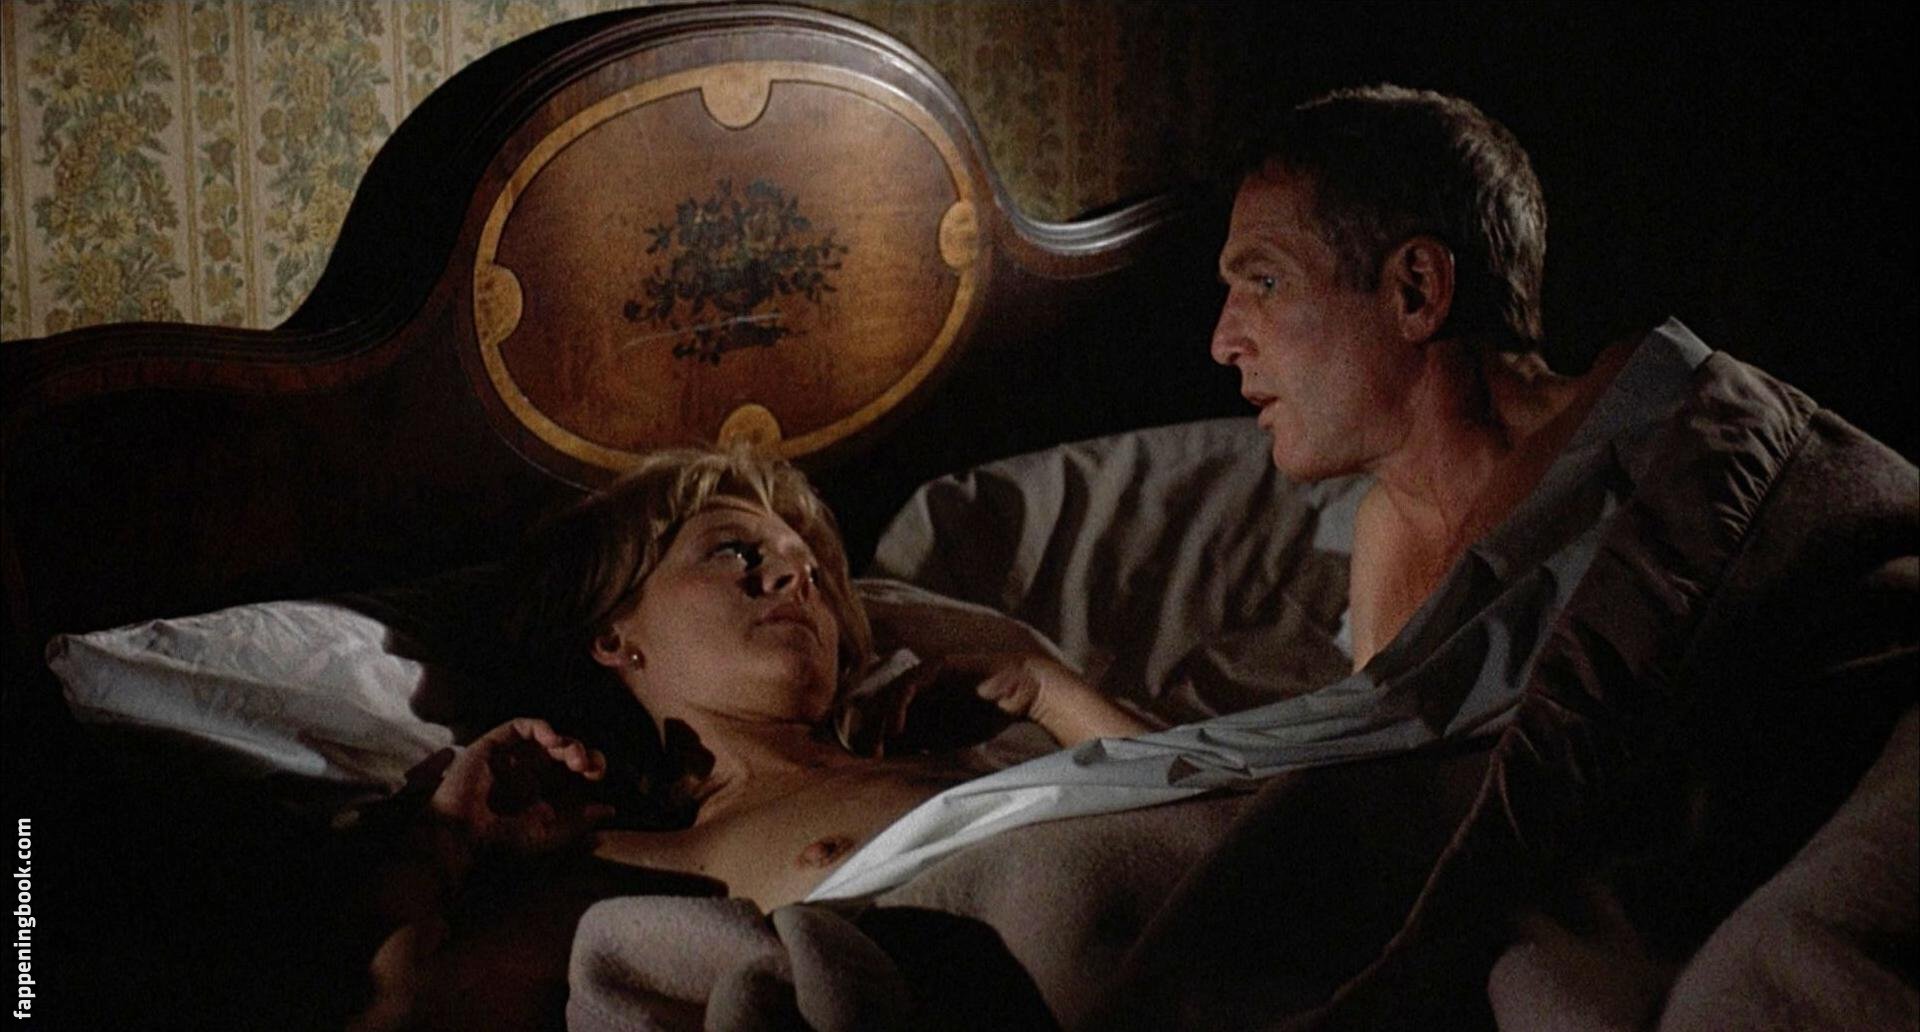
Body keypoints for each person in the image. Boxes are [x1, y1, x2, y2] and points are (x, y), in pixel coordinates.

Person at [348, 445, 1147, 1030]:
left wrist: (1050, 691)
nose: (795, 578)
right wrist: (442, 839)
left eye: (813, 575)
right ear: (614, 633)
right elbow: (412, 1014)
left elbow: (1200, 793)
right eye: (735, 551)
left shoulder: (973, 749)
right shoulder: (628, 864)